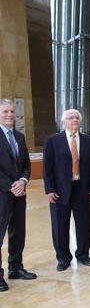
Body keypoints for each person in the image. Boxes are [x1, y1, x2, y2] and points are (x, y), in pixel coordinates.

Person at [43, 109, 90, 271]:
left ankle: (83, 254)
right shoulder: (52, 141)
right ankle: (63, 258)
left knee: (83, 223)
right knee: (60, 225)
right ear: (63, 122)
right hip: (59, 191)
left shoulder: (89, 141)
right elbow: (47, 168)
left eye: (77, 117)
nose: (74, 120)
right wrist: (49, 189)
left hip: (82, 188)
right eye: (70, 118)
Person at [0, 100, 36, 291]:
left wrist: (23, 181)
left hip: (19, 193)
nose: (9, 115)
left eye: (12, 111)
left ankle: (15, 267)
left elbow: (26, 164)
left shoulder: (19, 136)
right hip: (2, 193)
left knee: (18, 232)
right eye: (5, 111)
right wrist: (10, 186)